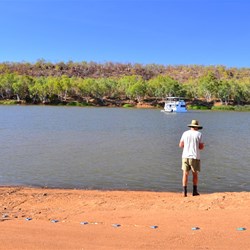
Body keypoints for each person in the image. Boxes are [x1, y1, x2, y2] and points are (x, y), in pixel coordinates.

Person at [179, 120, 204, 197]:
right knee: (195, 174)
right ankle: (194, 191)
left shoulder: (185, 133)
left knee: (185, 174)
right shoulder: (199, 134)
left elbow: (180, 145)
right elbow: (200, 147)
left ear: (191, 126)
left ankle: (184, 192)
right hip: (194, 156)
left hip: (185, 156)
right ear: (197, 127)